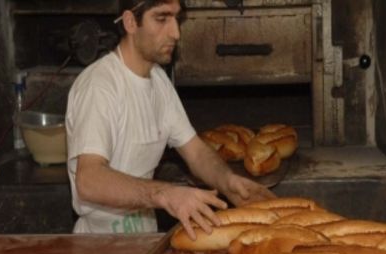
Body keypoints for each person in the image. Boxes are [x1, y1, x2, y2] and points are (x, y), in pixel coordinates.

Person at [65, 0, 274, 240]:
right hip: (98, 248)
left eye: (177, 19)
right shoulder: (100, 86)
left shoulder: (158, 81)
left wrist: (228, 182)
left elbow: (195, 151)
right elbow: (89, 181)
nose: (176, 33)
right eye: (162, 19)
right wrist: (164, 194)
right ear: (130, 22)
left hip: (144, 241)